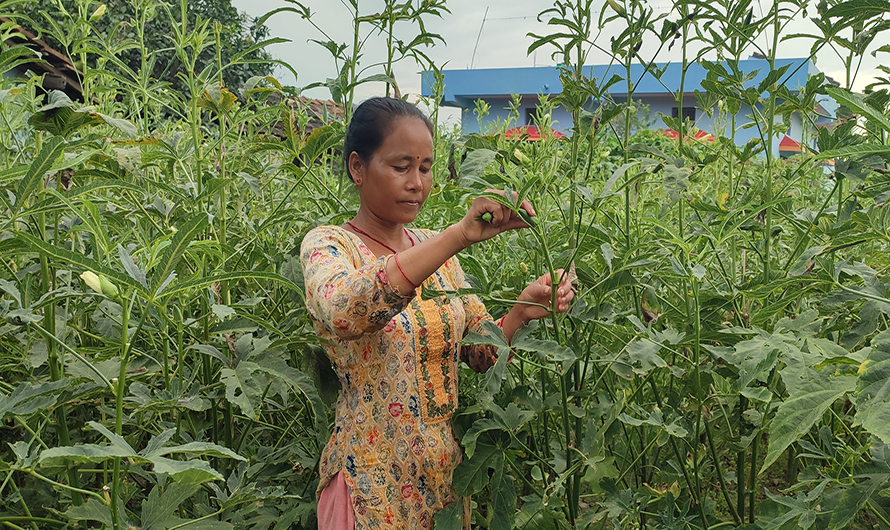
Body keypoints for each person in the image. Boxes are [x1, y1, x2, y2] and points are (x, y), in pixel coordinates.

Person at [300, 97, 574, 530]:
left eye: (425, 168)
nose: (417, 183)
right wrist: (458, 236)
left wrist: (522, 310)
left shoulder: (439, 252)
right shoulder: (330, 245)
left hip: (443, 482)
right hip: (371, 483)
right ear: (357, 167)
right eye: (401, 166)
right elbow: (345, 312)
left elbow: (480, 353)